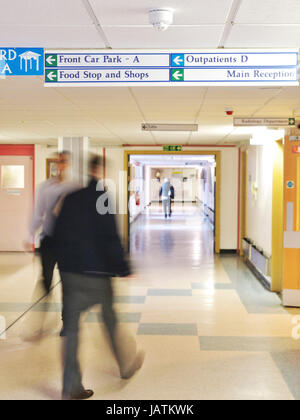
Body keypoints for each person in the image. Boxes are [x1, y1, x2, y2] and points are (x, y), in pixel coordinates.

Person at [53, 155, 145, 400]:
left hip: (71, 274)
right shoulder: (103, 197)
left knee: (71, 331)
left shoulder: (70, 198)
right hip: (97, 275)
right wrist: (124, 268)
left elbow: (57, 233)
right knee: (110, 320)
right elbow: (110, 237)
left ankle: (70, 387)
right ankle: (125, 367)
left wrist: (60, 265)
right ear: (100, 170)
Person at [26, 151, 78, 295]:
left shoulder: (73, 188)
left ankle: (67, 312)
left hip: (67, 241)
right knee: (46, 277)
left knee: (68, 278)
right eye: (59, 162)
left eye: (64, 162)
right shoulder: (45, 187)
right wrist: (31, 235)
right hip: (49, 238)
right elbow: (37, 213)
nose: (61, 165)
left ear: (69, 164)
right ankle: (45, 297)